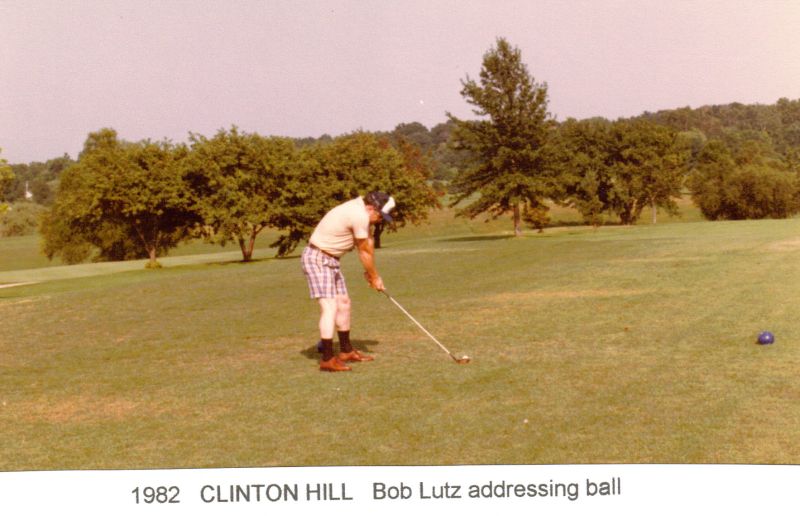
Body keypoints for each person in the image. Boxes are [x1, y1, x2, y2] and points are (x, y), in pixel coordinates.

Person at [301, 191, 396, 372]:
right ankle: (327, 359)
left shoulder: (361, 210)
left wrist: (371, 273)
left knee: (344, 303)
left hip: (331, 260)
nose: (380, 219)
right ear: (371, 208)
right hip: (317, 258)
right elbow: (364, 251)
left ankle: (346, 351)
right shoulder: (359, 215)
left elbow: (367, 243)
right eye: (379, 215)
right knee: (330, 307)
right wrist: (374, 277)